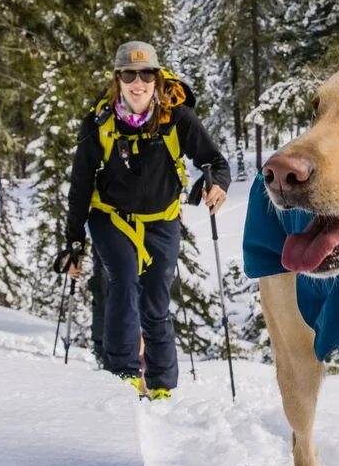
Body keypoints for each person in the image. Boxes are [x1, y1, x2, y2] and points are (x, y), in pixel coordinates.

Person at [63, 40, 229, 400]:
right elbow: (81, 183)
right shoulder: (99, 121)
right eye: (129, 75)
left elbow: (214, 161)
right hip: (111, 218)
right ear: (117, 78)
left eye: (145, 75)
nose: (137, 84)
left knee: (155, 301)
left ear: (157, 77)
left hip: (161, 220)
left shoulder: (177, 117)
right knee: (123, 282)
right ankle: (122, 374)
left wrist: (217, 184)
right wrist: (74, 241)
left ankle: (162, 385)